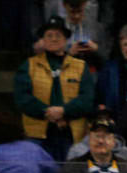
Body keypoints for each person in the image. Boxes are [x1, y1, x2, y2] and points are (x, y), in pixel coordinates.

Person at [15, 16, 93, 162]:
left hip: (71, 135)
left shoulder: (80, 66)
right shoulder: (29, 65)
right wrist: (48, 112)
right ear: (42, 40)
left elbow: (87, 99)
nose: (54, 39)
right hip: (37, 136)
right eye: (49, 35)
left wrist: (64, 111)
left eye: (58, 35)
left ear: (66, 39)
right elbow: (23, 99)